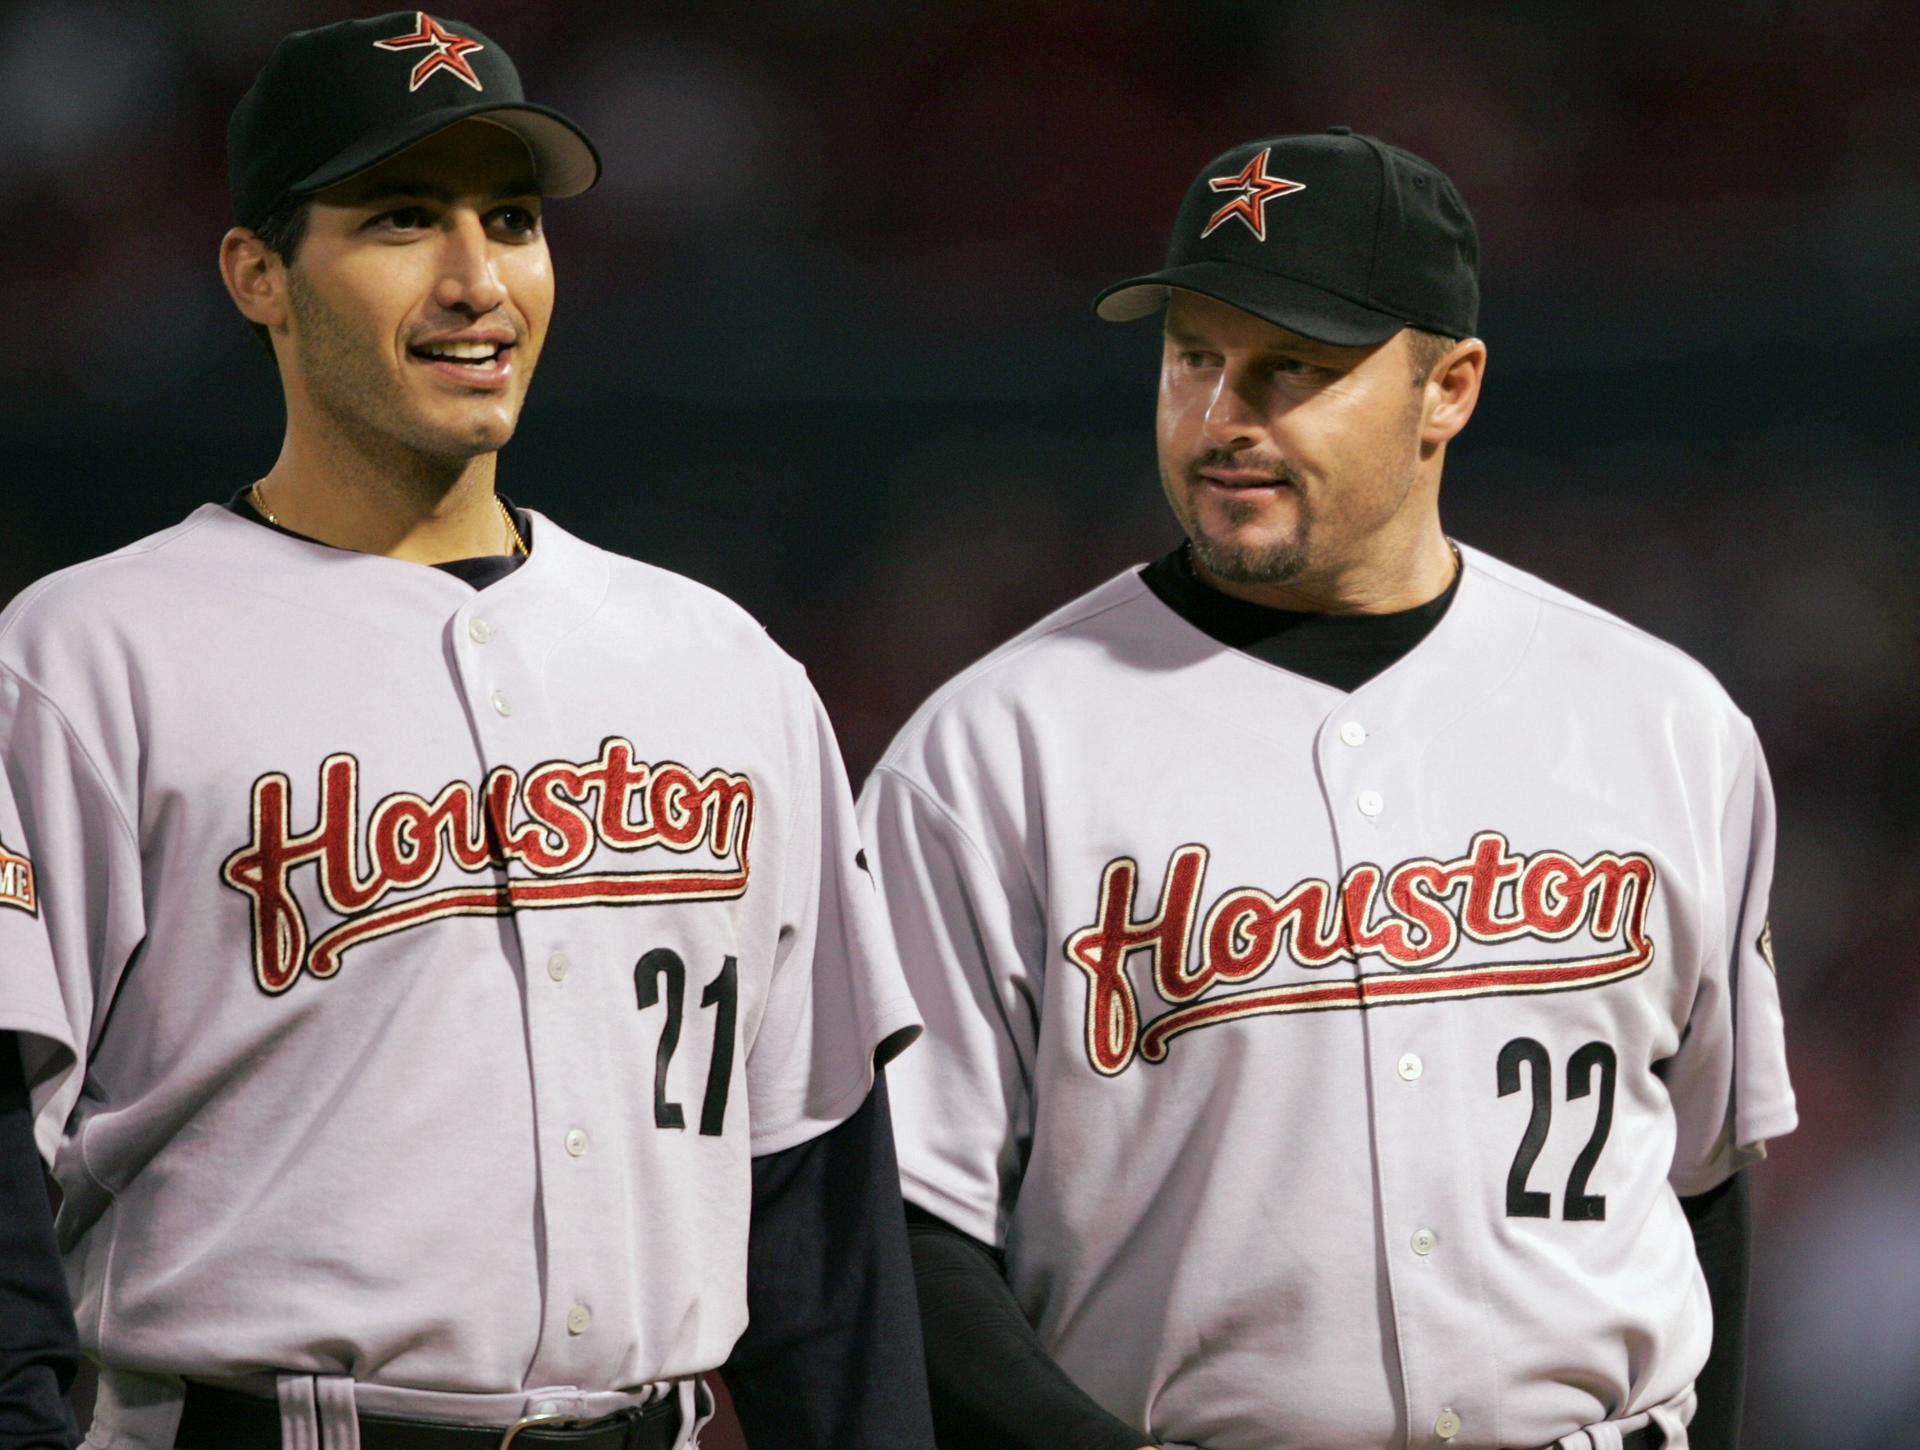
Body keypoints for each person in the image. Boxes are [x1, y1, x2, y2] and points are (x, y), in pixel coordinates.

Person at [0, 13, 933, 1450]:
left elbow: (814, 1198)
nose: (475, 278)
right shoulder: (87, 657)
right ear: (258, 273)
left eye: (511, 218)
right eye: (399, 218)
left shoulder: (721, 665)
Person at [857, 128, 1795, 1450]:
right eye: (1195, 357)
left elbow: (1704, 1181)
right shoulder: (991, 751)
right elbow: (904, 1233)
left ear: (1449, 387)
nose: (1224, 416)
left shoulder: (1664, 724)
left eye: (1294, 366)